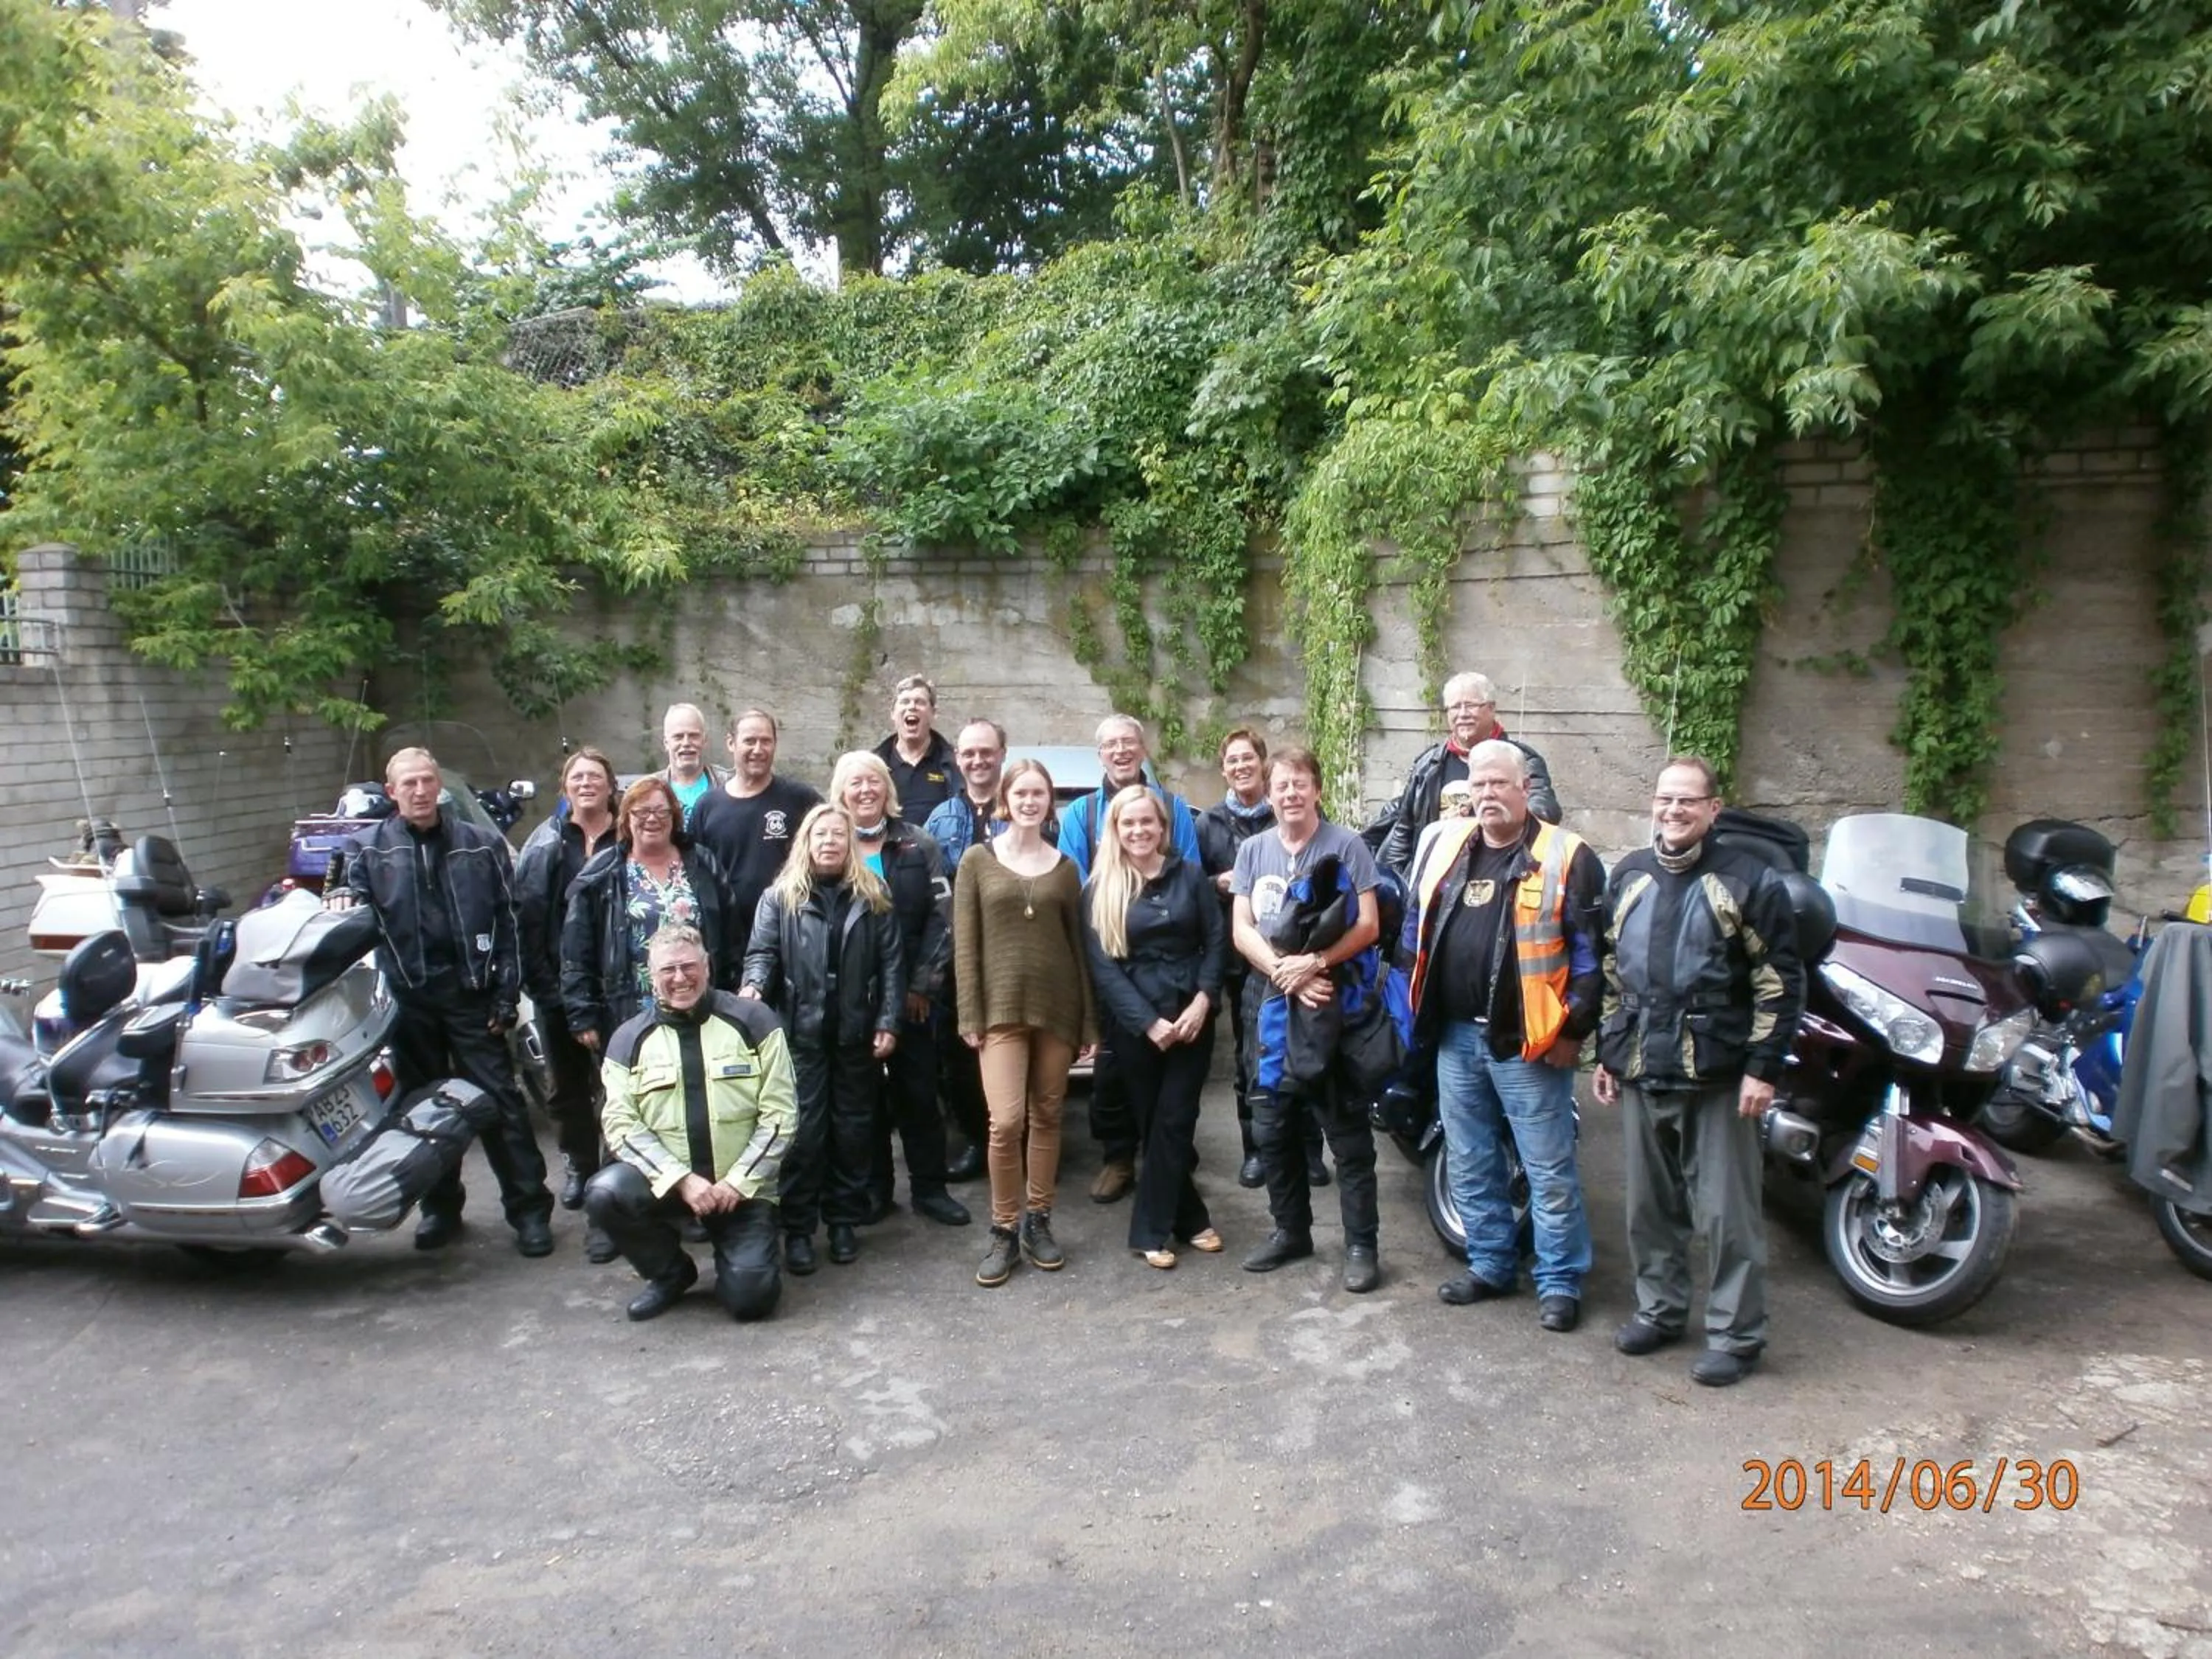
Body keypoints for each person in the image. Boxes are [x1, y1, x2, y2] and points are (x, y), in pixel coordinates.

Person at [1596, 756, 1806, 1388]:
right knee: (1649, 1210)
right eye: (1665, 800)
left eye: (1688, 801)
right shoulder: (1628, 874)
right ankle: (1659, 1312)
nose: (1673, 812)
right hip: (1640, 1066)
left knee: (1726, 1215)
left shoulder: (1750, 881)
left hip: (1717, 1074)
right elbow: (1610, 973)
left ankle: (1737, 1337)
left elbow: (1781, 981)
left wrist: (1763, 1069)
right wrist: (1607, 1055)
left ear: (1714, 810)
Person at [1402, 738, 1605, 1332]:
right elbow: (1418, 934)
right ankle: (1490, 1263)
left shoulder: (1568, 855)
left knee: (1547, 1168)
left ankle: (1560, 1280)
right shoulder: (1449, 849)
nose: (1486, 794)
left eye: (1498, 783)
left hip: (1530, 1043)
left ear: (1525, 789)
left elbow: (1592, 958)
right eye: (1478, 785)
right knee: (1469, 1159)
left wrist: (1575, 1031)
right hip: (1456, 1038)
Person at [332, 747, 555, 1256]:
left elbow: (509, 921)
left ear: (440, 787)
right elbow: (349, 932)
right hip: (409, 1003)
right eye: (408, 783)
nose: (419, 791)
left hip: (472, 998)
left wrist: (505, 993)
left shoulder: (480, 845)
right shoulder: (367, 851)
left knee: (501, 1106)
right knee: (424, 1110)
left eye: (427, 780)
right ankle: (440, 1209)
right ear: (391, 791)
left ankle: (529, 1211)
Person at [1231, 746, 1385, 1292]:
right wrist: (1283, 970)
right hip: (1273, 1007)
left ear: (1317, 789)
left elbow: (1368, 925)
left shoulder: (1347, 846)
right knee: (1272, 1129)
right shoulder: (1252, 850)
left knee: (1346, 1133)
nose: (1290, 793)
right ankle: (1290, 1232)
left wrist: (1317, 963)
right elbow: (1241, 927)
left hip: (1331, 1006)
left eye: (1300, 783)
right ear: (1269, 795)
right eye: (1282, 785)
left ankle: (1362, 1245)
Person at [585, 925, 795, 1323]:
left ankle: (745, 1256)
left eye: (688, 967)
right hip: (670, 1184)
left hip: (742, 1187)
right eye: (668, 970)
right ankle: (670, 1273)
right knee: (604, 1193)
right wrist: (681, 1180)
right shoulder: (628, 1039)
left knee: (752, 1301)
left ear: (707, 966)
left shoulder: (754, 1021)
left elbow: (782, 1115)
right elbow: (619, 1125)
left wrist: (738, 1182)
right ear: (651, 976)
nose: (680, 978)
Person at [742, 804, 902, 1274]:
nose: (830, 842)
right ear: (806, 843)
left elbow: (892, 965)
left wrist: (889, 1020)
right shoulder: (780, 897)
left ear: (850, 843)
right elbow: (763, 954)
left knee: (853, 1132)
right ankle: (798, 1228)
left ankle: (842, 1222)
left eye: (838, 834)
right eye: (821, 835)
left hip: (856, 1033)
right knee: (803, 1134)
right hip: (801, 1035)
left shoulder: (873, 894)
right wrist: (753, 988)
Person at [1054, 713, 1203, 1205]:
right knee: (1114, 1069)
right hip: (1114, 961)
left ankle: (1171, 1160)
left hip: (1169, 966)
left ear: (1143, 750)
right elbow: (1076, 886)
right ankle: (1118, 1157)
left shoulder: (1174, 809)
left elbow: (1191, 878)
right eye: (1111, 745)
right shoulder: (1081, 816)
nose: (1120, 751)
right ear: (1100, 755)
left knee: (1175, 1071)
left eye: (1129, 743)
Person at [956, 758, 1093, 1286]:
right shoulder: (977, 860)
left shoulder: (1065, 868)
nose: (1031, 801)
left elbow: (1079, 948)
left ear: (1048, 802)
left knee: (1049, 1115)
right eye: (1022, 793)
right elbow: (966, 944)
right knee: (1006, 1121)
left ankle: (1039, 1220)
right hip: (1000, 1010)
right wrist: (970, 1012)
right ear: (1005, 801)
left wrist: (1089, 1024)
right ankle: (1003, 1228)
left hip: (1058, 1009)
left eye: (1040, 793)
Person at [1084, 786, 1227, 1270]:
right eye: (1130, 824)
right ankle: (1191, 1217)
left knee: (1176, 1119)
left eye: (1148, 822)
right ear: (1116, 830)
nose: (1140, 831)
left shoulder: (1190, 875)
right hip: (1135, 1024)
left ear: (1164, 829)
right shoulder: (1099, 887)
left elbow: (1216, 940)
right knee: (1154, 1124)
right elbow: (1102, 968)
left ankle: (1148, 1230)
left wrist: (1205, 999)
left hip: (1192, 1018)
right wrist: (1147, 1023)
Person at [830, 750, 970, 1229]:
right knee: (862, 1098)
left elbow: (943, 919)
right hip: (852, 998)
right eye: (855, 784)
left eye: (873, 781)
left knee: (919, 1094)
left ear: (887, 789)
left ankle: (930, 1190)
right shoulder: (830, 844)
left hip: (913, 996)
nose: (865, 791)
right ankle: (876, 1190)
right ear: (841, 793)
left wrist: (922, 986)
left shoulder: (918, 844)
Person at [1199, 726, 1324, 1192]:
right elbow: (1197, 884)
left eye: (1247, 758)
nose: (1240, 767)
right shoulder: (1208, 823)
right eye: (1231, 761)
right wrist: (1220, 884)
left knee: (1306, 1051)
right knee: (1251, 1056)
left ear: (1262, 763)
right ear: (1223, 769)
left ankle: (1309, 1150)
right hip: (1243, 961)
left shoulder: (1292, 812)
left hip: (1301, 958)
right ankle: (1257, 1150)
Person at [514, 748, 621, 1216]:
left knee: (623, 1085)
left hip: (618, 985)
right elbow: (529, 920)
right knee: (568, 1087)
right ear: (565, 788)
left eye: (594, 776)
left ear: (611, 785)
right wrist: (545, 988)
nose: (586, 784)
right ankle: (580, 1165)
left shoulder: (629, 834)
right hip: (559, 987)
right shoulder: (547, 843)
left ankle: (622, 1169)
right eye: (577, 778)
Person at [560, 777, 735, 1059]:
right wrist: (582, 1013)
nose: (652, 819)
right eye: (641, 812)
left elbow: (730, 936)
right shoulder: (603, 873)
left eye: (661, 811)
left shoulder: (703, 863)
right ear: (626, 818)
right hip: (631, 1009)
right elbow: (576, 950)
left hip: (700, 1003)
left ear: (674, 817)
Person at [922, 718, 1016, 1182]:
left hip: (1012, 956)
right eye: (969, 753)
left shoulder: (1021, 808)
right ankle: (980, 1141)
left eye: (987, 751)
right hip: (955, 958)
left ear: (1002, 753)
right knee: (960, 1056)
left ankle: (1019, 1142)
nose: (978, 761)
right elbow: (930, 893)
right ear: (958, 760)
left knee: (1017, 1048)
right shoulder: (940, 820)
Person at [1376, 672, 1560, 877]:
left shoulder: (1521, 760)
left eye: (1471, 705)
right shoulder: (1428, 765)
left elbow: (1545, 811)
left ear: (1491, 709)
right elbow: (1404, 831)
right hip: (1435, 878)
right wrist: (1397, 883)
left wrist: (1484, 821)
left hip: (1499, 874)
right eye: (1455, 707)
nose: (1463, 714)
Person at [690, 708, 823, 963]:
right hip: (726, 942)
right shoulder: (707, 807)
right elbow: (695, 875)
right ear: (731, 743)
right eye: (750, 741)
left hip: (789, 937)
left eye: (766, 741)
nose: (758, 749)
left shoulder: (801, 800)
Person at [873, 673, 959, 827]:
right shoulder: (875, 764)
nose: (912, 707)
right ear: (892, 713)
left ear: (934, 713)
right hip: (888, 848)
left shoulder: (954, 763)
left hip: (937, 848)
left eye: (920, 702)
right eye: (905, 702)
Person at [655, 702, 728, 830]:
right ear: (666, 743)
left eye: (693, 736)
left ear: (704, 740)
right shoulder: (649, 789)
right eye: (678, 737)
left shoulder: (728, 784)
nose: (686, 743)